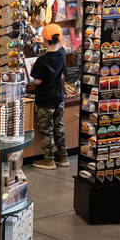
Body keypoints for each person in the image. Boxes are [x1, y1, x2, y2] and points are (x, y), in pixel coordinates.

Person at [31, 23, 68, 169]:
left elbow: (37, 81)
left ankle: (49, 159)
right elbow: (57, 48)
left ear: (45, 40)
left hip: (45, 99)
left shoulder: (42, 60)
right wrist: (45, 42)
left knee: (46, 129)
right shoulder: (62, 53)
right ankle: (63, 157)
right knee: (59, 126)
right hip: (59, 97)